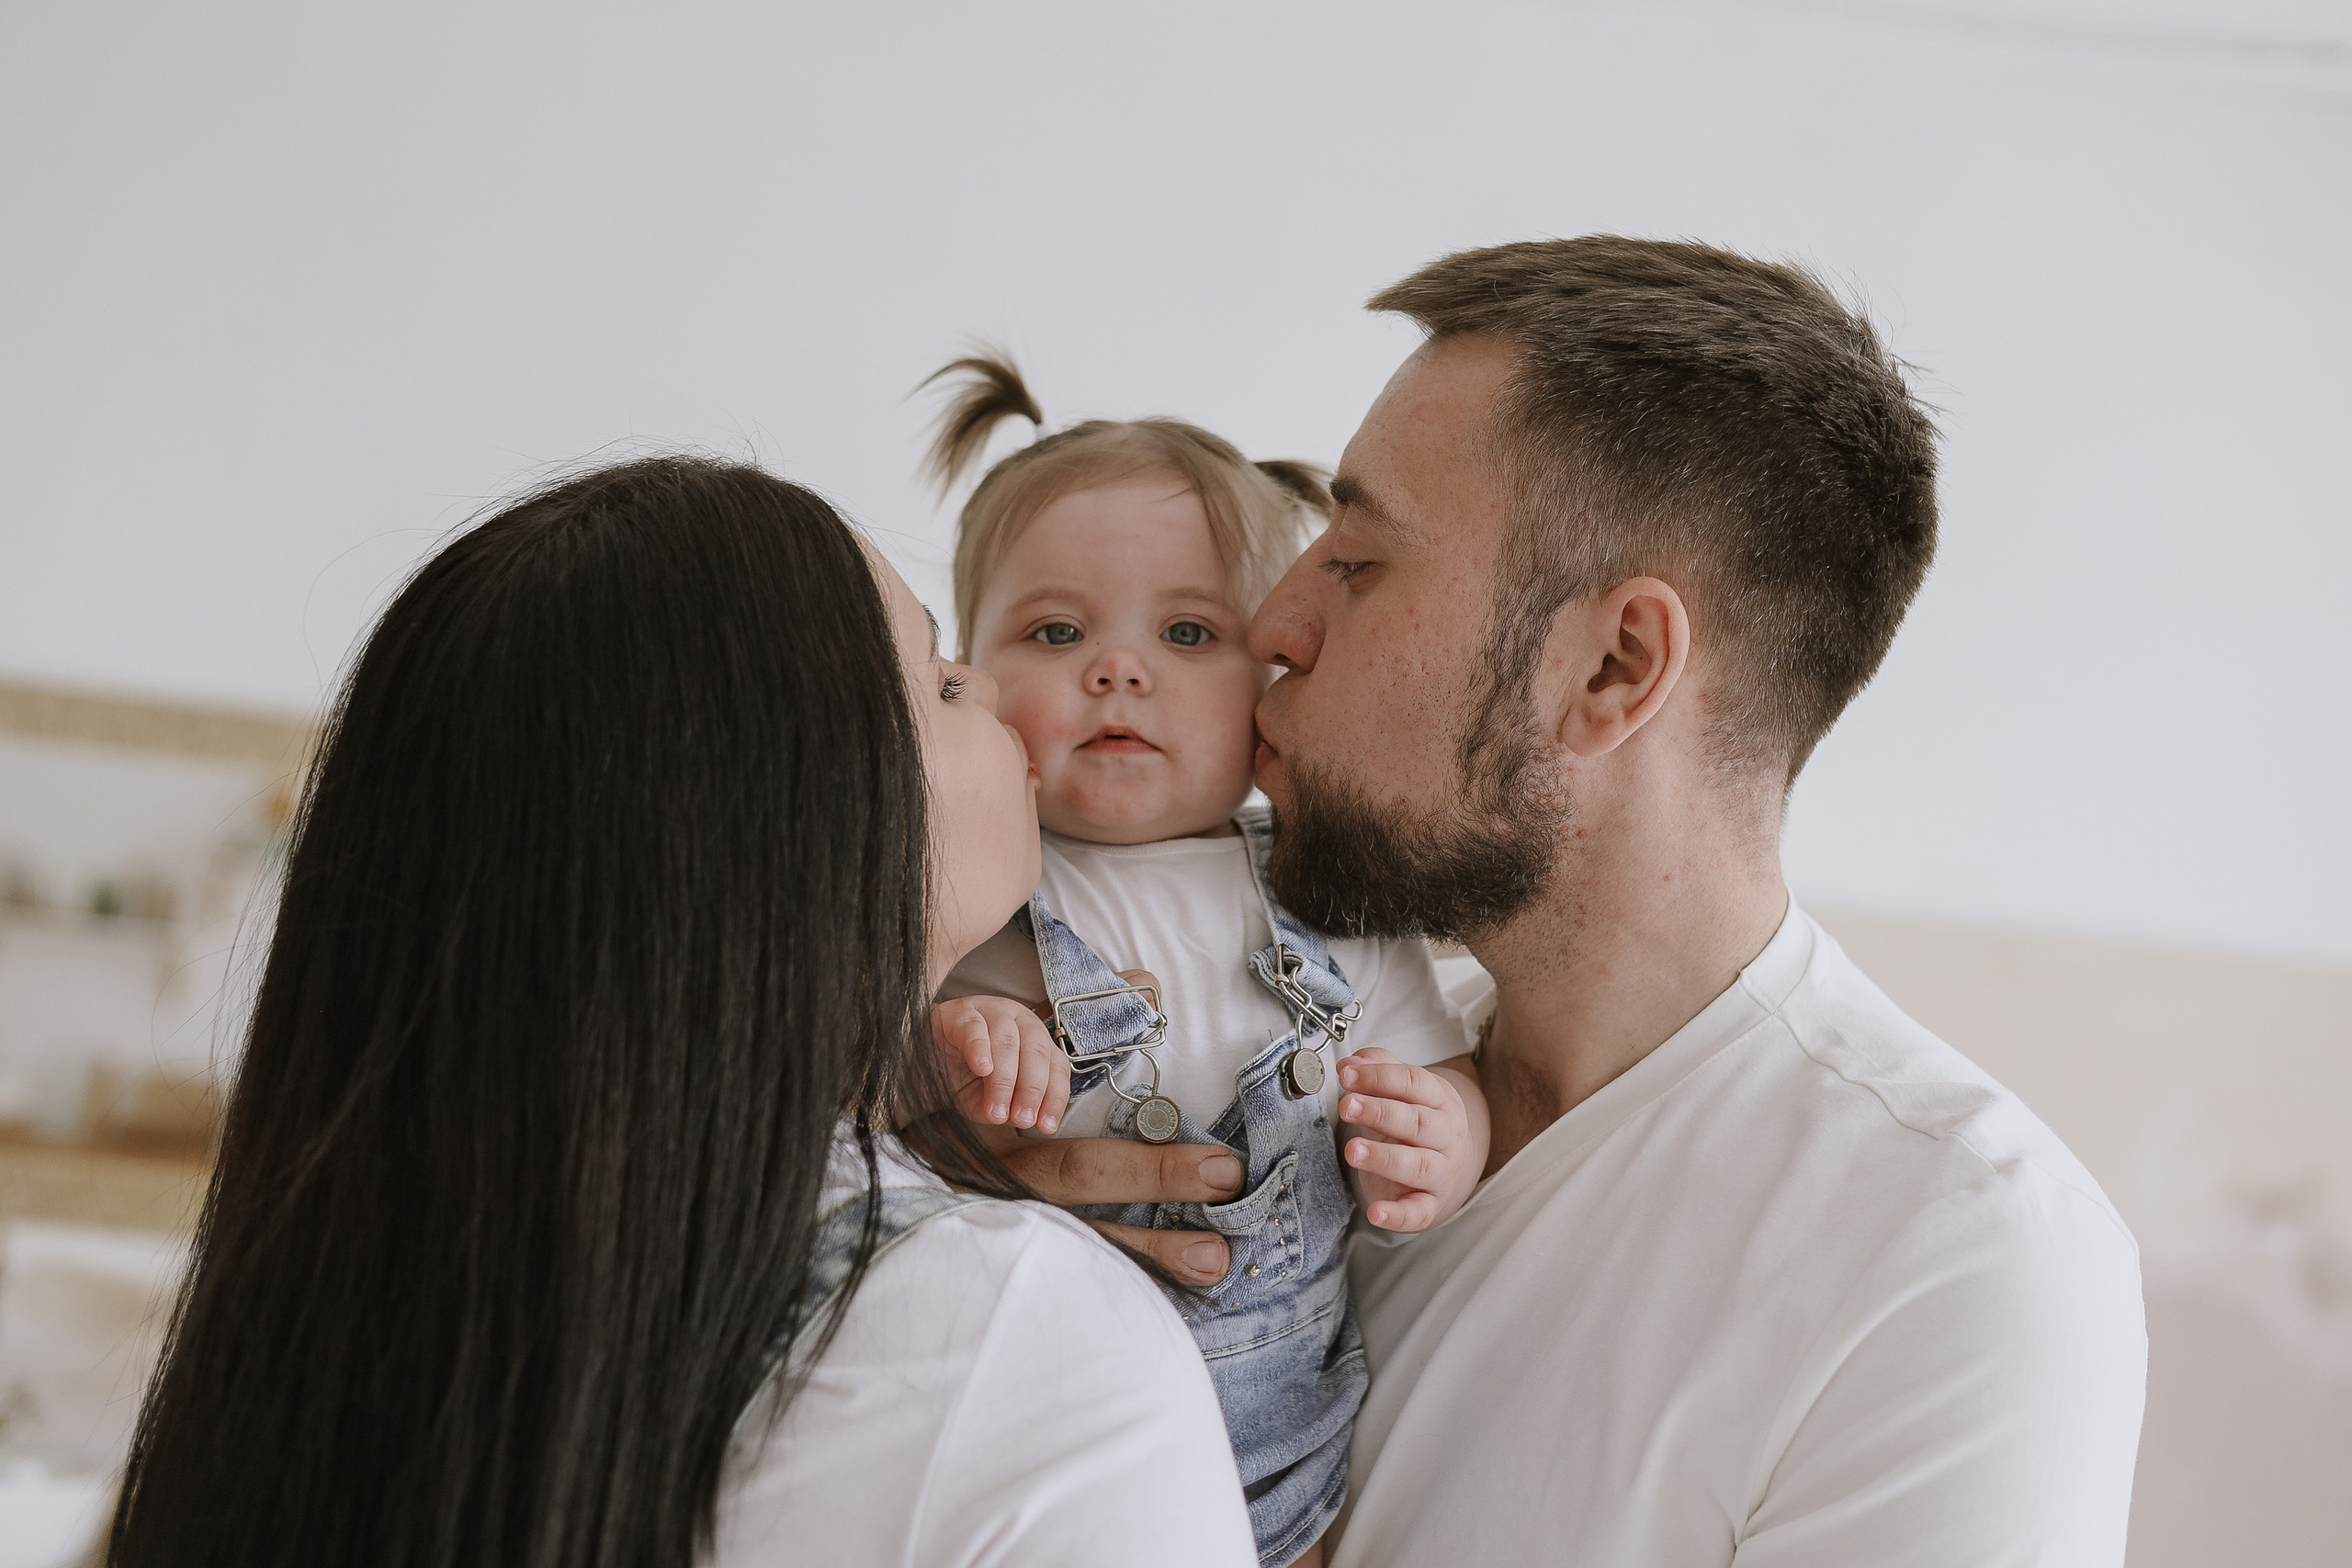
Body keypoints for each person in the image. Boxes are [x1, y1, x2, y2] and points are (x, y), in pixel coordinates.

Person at [1036, 237, 2149, 1564]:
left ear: (1616, 664)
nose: (1271, 622)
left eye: (1361, 557)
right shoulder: (1275, 1061)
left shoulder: (1960, 1263)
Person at [107, 457, 1257, 1568]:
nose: (1003, 692)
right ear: (791, 809)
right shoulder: (1018, 1331)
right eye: (945, 679)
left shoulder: (328, 1323)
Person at [920, 354, 1487, 1568]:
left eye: (1186, 631)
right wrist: (964, 1042)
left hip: (1286, 1477)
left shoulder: (1325, 891)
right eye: (1055, 629)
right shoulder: (977, 878)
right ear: (971, 667)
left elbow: (1443, 1067)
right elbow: (879, 1100)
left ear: (1270, 683)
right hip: (1037, 1451)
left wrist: (1444, 1131)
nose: (1118, 669)